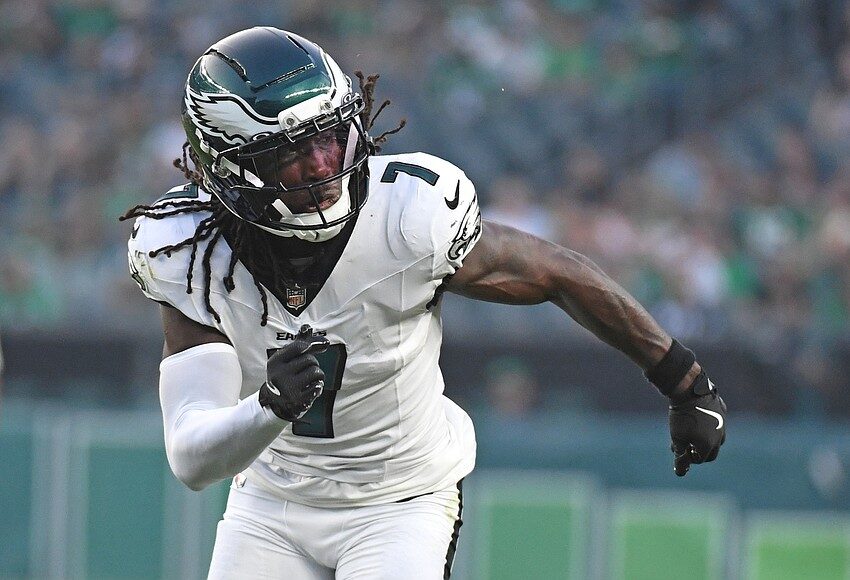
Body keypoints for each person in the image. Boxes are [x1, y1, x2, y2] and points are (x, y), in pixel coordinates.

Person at [123, 27, 726, 580]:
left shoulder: (408, 218)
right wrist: (268, 409)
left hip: (398, 500)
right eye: (291, 153)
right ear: (230, 167)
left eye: (331, 139)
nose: (325, 167)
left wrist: (685, 381)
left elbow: (557, 274)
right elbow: (192, 459)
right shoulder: (188, 254)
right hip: (271, 503)